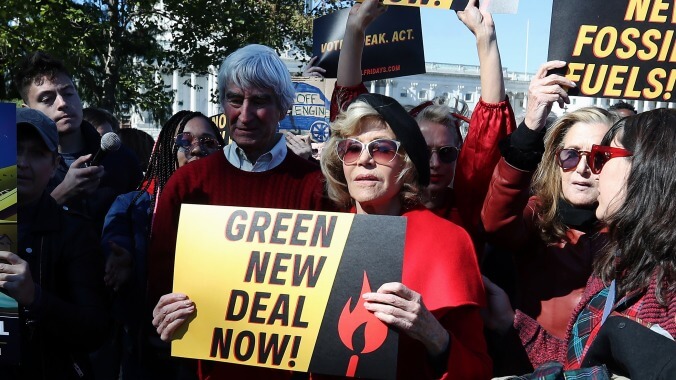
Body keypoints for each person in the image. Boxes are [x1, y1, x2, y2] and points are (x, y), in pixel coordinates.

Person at [149, 44, 329, 379]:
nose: (244, 115)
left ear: (283, 107)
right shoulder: (188, 184)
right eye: (235, 100)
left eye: (259, 101)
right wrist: (165, 308)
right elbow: (161, 276)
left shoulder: (315, 187)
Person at [487, 109, 676, 378]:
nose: (590, 171)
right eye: (571, 155)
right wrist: (514, 326)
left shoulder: (666, 284)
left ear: (648, 169)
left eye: (603, 157)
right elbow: (582, 363)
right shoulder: (619, 263)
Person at [319, 93, 490, 378]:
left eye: (382, 149)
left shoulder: (449, 241)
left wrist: (434, 335)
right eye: (351, 148)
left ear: (407, 162)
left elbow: (478, 370)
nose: (364, 160)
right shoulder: (318, 236)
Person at [330, 0, 516, 249]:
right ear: (405, 153)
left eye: (447, 153)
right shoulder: (370, 194)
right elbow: (349, 113)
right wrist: (355, 29)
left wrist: (486, 37)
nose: (434, 164)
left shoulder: (465, 207)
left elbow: (488, 135)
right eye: (423, 151)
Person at [481, 61, 617, 370]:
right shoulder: (537, 215)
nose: (582, 168)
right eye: (570, 155)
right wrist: (530, 127)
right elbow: (496, 222)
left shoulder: (636, 233)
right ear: (555, 161)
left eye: (598, 157)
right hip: (531, 368)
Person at [100, 110, 224, 380]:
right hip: (149, 351)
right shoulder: (133, 206)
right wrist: (123, 259)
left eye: (208, 142)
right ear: (166, 149)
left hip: (212, 350)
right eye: (185, 140)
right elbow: (116, 240)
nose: (197, 149)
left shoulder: (236, 211)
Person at [3, 108, 109, 379]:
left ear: (54, 166)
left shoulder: (74, 232)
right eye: (14, 149)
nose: (22, 162)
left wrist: (35, 298)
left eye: (36, 153)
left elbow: (95, 330)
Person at [13, 52, 143, 233]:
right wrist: (62, 194)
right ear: (27, 110)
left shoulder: (120, 158)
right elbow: (10, 237)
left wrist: (125, 248)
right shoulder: (12, 166)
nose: (62, 103)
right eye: (46, 99)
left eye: (68, 93)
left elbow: (142, 221)